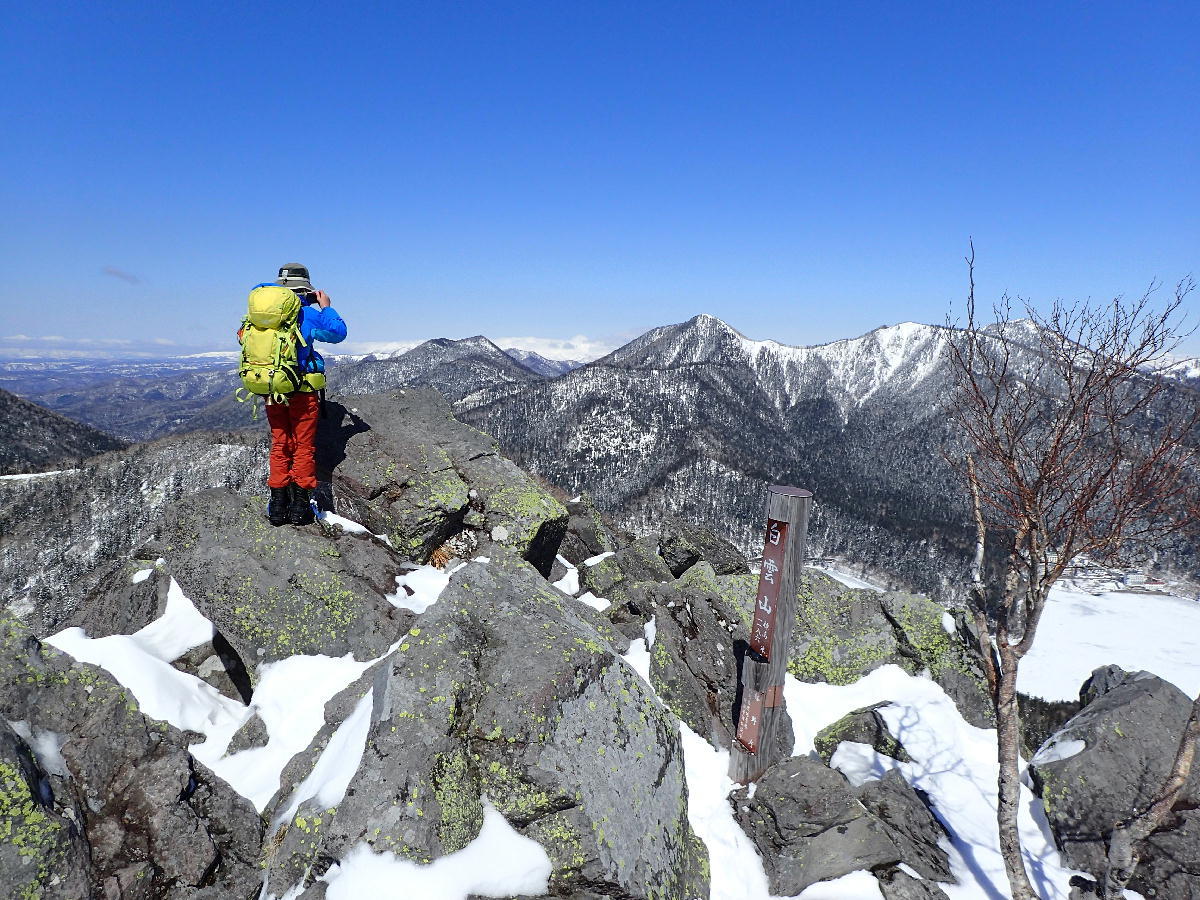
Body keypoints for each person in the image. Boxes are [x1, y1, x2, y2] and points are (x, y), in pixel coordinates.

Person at [266, 262, 347, 526]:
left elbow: (242, 337)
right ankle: (300, 508)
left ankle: (278, 507)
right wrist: (325, 306)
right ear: (305, 290)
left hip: (273, 390)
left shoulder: (262, 314)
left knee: (280, 443)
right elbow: (338, 333)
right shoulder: (307, 314)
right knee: (302, 446)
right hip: (302, 391)